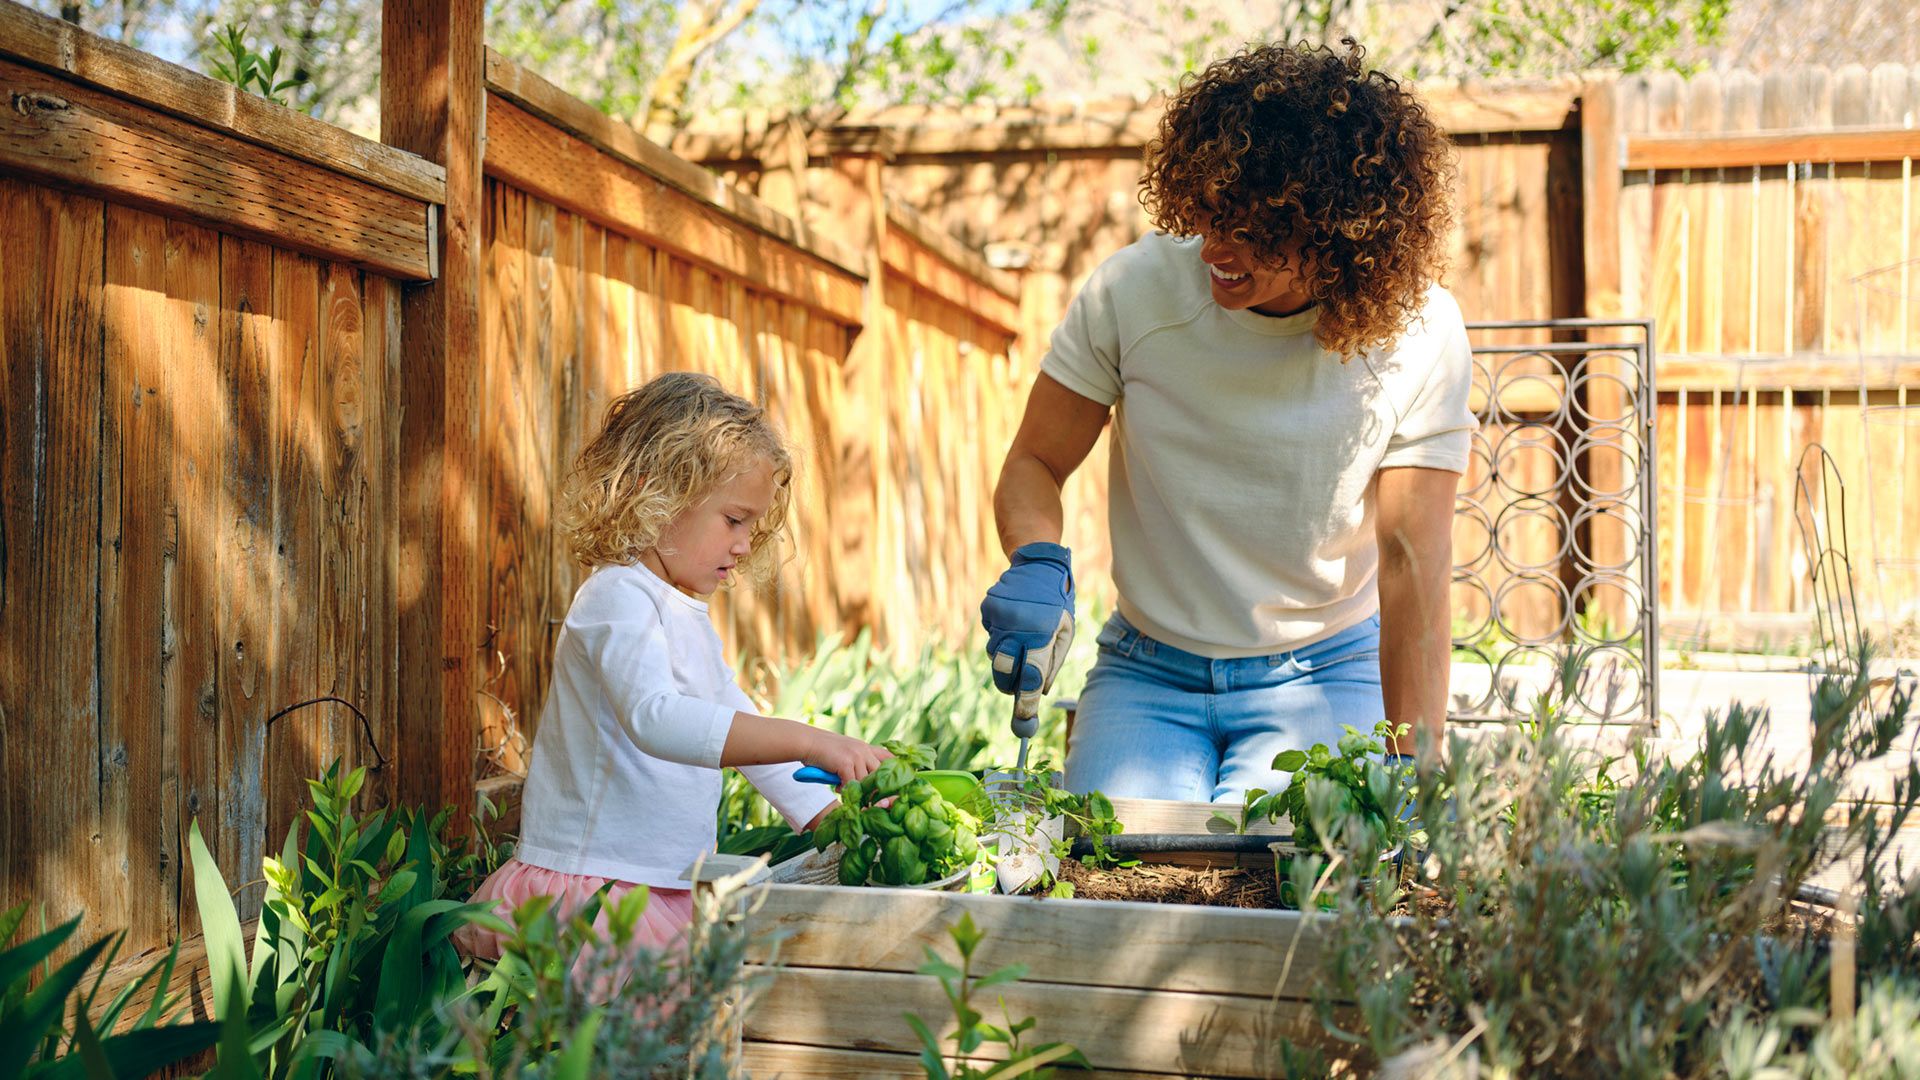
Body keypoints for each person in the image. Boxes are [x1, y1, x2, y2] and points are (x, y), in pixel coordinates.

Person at [980, 39, 1473, 803]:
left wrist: (1415, 760)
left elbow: (1412, 560)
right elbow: (1034, 463)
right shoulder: (1135, 293)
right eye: (1211, 214)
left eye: (1257, 231)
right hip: (1148, 667)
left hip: (1323, 669)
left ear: (1343, 235)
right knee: (1116, 878)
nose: (1215, 247)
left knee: (1298, 890)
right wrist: (1037, 560)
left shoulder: (1419, 335)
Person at [455, 372, 889, 961]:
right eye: (732, 520)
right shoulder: (617, 597)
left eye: (752, 526)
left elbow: (729, 717)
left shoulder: (684, 612)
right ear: (652, 495)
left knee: (673, 1045)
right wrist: (811, 742)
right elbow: (656, 719)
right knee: (610, 1048)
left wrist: (831, 817)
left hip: (664, 889)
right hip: (599, 892)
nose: (743, 543)